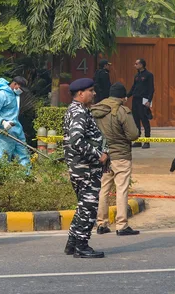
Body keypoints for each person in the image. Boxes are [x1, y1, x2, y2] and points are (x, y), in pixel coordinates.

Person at [62, 78, 109, 258]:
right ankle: (81, 246)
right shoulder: (79, 113)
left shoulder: (78, 110)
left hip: (82, 168)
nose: (94, 93)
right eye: (91, 90)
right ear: (81, 93)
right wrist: (99, 156)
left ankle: (73, 243)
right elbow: (76, 140)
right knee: (88, 208)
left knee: (83, 206)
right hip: (85, 169)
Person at [92, 82, 141, 236]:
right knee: (121, 190)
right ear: (123, 97)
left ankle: (101, 224)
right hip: (120, 156)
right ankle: (121, 225)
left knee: (103, 190)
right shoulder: (122, 111)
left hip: (102, 156)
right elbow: (133, 134)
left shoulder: (96, 109)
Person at [0, 77, 30, 168]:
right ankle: (0, 179)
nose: (21, 91)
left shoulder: (15, 95)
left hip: (16, 130)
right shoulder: (0, 95)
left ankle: (27, 175)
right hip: (3, 132)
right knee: (4, 156)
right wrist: (3, 122)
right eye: (20, 88)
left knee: (23, 153)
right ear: (14, 84)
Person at [127, 58, 154, 149]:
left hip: (144, 100)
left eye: (136, 64)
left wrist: (149, 100)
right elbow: (133, 87)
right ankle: (138, 140)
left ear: (141, 65)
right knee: (136, 120)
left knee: (145, 120)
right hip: (136, 99)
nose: (135, 65)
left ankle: (147, 141)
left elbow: (151, 88)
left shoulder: (149, 75)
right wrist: (127, 96)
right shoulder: (136, 76)